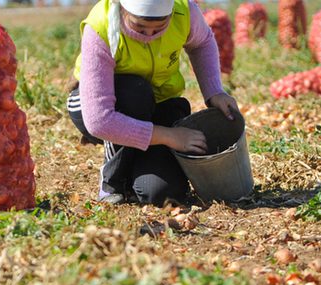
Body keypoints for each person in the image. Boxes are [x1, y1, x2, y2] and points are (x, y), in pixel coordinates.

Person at [67, 0, 239, 206]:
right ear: (122, 10)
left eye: (159, 28)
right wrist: (169, 136)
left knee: (163, 194)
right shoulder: (99, 27)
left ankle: (136, 163)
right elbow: (100, 121)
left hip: (158, 102)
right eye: (139, 27)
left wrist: (214, 91)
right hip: (99, 106)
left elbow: (202, 42)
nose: (149, 37)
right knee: (135, 94)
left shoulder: (184, 12)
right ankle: (113, 181)